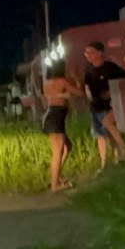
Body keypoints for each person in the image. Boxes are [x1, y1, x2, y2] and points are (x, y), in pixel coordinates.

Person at [83, 41, 125, 169]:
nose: (87, 55)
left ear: (100, 53)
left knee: (109, 125)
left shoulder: (110, 67)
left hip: (109, 106)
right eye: (86, 53)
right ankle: (107, 162)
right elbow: (87, 86)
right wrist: (88, 95)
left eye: (90, 52)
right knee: (101, 134)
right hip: (95, 106)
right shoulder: (89, 69)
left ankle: (121, 153)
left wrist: (113, 91)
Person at [42, 62, 83, 192]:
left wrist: (62, 95)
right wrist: (76, 79)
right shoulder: (62, 81)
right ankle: (55, 186)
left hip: (51, 115)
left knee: (67, 146)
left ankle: (57, 176)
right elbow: (80, 92)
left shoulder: (46, 83)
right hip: (56, 117)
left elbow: (51, 97)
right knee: (58, 151)